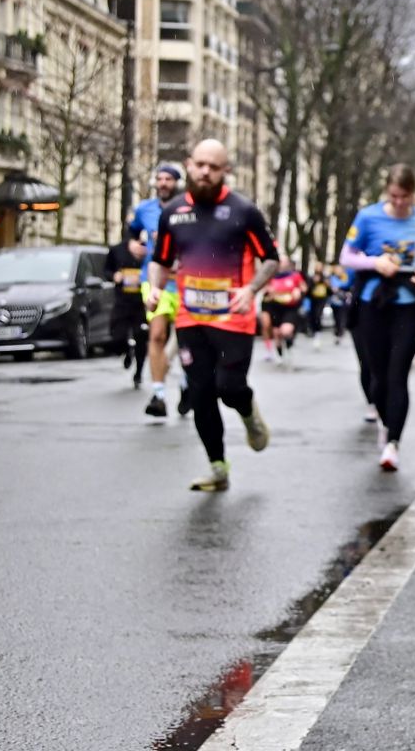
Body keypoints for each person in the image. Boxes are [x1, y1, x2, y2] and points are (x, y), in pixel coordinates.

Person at [146, 139, 278, 492]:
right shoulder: (173, 211)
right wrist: (156, 288)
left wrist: (251, 289)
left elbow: (270, 258)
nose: (205, 172)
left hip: (233, 318)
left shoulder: (244, 211)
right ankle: (218, 467)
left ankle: (248, 410)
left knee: (229, 388)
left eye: (213, 167)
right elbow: (160, 260)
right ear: (189, 164)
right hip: (191, 318)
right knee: (201, 393)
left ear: (225, 171)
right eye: (200, 165)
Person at [339, 165, 415, 472]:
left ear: (414, 193)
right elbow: (347, 257)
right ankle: (386, 424)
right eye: (395, 196)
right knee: (377, 377)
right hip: (373, 301)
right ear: (387, 191)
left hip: (408, 303)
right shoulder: (369, 217)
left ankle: (392, 443)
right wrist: (375, 262)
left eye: (406, 197)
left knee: (398, 375)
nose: (400, 203)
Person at [129, 162, 186, 419]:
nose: (163, 183)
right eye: (159, 179)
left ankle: (186, 386)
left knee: (187, 339)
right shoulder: (144, 209)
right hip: (155, 281)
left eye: (168, 179)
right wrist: (133, 246)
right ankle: (159, 394)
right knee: (158, 334)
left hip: (187, 282)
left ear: (177, 183)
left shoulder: (189, 208)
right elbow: (132, 234)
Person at [105, 232, 150, 385]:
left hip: (141, 303)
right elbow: (107, 270)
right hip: (122, 302)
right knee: (117, 335)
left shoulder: (150, 249)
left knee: (141, 337)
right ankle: (126, 350)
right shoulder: (117, 250)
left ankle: (139, 373)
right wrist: (113, 276)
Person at [262, 259, 307, 364]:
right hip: (275, 308)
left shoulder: (295, 276)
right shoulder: (271, 276)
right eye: (281, 262)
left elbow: (304, 287)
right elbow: (263, 289)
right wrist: (268, 291)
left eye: (285, 262)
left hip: (290, 308)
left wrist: (299, 291)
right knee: (277, 333)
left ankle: (289, 344)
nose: (283, 264)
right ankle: (280, 355)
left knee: (286, 330)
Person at [304, 266, 331, 343]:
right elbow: (307, 291)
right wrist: (313, 283)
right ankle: (312, 330)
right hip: (313, 299)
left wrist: (327, 284)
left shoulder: (325, 279)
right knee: (311, 315)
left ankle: (318, 331)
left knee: (317, 315)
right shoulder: (311, 278)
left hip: (322, 300)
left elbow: (330, 291)